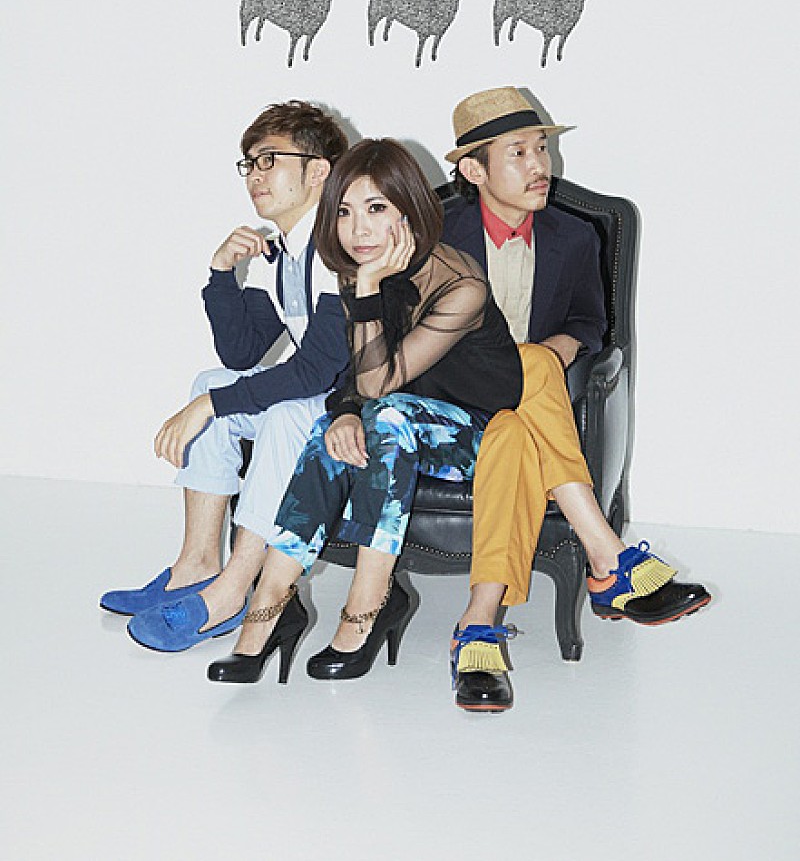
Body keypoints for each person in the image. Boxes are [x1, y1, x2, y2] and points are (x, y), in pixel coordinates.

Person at [204, 137, 528, 685]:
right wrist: (346, 414)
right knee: (332, 432)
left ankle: (367, 606)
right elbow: (352, 377)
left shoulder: (461, 285)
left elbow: (379, 380)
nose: (358, 230)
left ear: (409, 210)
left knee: (390, 418)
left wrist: (370, 287)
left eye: (376, 209)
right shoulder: (355, 267)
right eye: (345, 212)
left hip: (479, 437)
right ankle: (267, 611)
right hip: (392, 420)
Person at [441, 86, 710, 712]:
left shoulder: (575, 235)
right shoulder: (437, 234)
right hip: (454, 398)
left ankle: (478, 623)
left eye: (542, 148)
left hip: (524, 414)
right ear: (474, 171)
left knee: (516, 424)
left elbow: (590, 323)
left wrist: (553, 353)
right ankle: (607, 557)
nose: (540, 165)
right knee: (528, 367)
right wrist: (530, 365)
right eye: (518, 153)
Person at [99, 100, 351, 652]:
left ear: (318, 171)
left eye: (270, 160)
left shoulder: (340, 244)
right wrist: (221, 274)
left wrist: (211, 407)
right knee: (210, 382)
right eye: (250, 163)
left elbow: (318, 371)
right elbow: (241, 354)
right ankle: (195, 564)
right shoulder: (283, 251)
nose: (256, 175)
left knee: (279, 413)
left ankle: (234, 589)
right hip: (323, 397)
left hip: (363, 408)